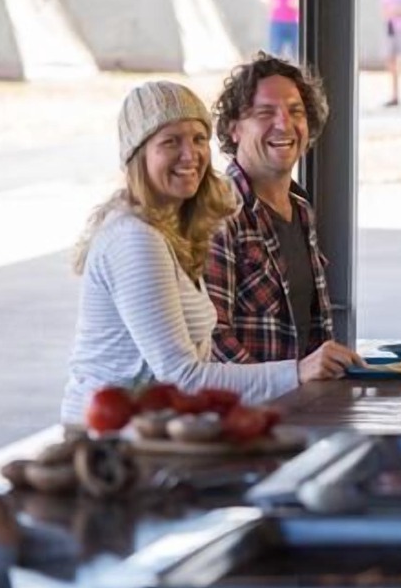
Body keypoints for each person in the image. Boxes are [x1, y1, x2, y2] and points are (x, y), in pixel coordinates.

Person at [61, 81, 355, 425]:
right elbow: (183, 379)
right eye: (170, 141)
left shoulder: (173, 230)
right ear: (137, 153)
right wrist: (296, 373)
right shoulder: (135, 239)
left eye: (198, 139)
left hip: (155, 431)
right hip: (109, 443)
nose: (191, 155)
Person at [206, 53, 353, 365]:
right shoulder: (218, 212)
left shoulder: (301, 210)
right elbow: (212, 338)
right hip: (245, 409)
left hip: (301, 406)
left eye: (295, 111)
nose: (284, 124)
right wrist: (284, 381)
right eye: (264, 113)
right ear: (235, 129)